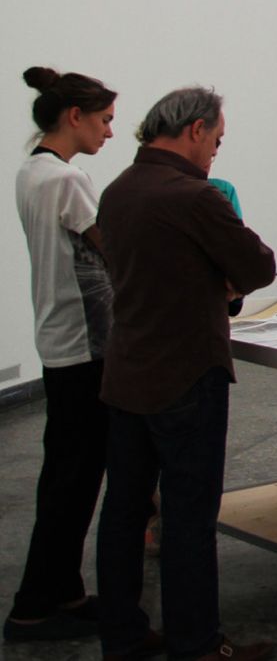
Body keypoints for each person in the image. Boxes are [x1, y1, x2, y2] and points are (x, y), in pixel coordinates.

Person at [95, 87, 277, 661]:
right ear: (195, 129)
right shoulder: (194, 198)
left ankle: (121, 635)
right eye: (216, 142)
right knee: (189, 516)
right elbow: (259, 265)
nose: (215, 154)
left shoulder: (118, 190)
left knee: (124, 513)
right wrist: (219, 280)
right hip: (185, 375)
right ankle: (196, 644)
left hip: (125, 374)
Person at [6, 68, 117, 644]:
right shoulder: (70, 183)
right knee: (73, 483)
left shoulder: (32, 171)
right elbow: (114, 251)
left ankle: (66, 591)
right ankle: (29, 608)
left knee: (66, 474)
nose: (109, 132)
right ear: (74, 116)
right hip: (85, 346)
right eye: (103, 120)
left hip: (58, 341)